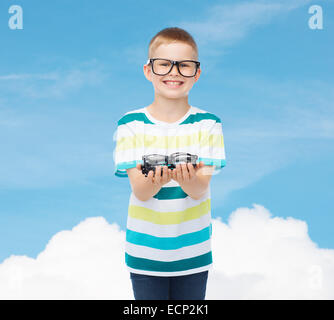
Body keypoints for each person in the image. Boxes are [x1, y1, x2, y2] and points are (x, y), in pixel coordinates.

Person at [113, 27, 226, 300]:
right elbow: (141, 191)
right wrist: (159, 180)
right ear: (148, 71)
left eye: (184, 66)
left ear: (196, 73)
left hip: (193, 253)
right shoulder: (130, 124)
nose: (174, 72)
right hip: (145, 254)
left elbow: (199, 190)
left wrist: (188, 180)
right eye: (164, 64)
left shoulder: (209, 124)